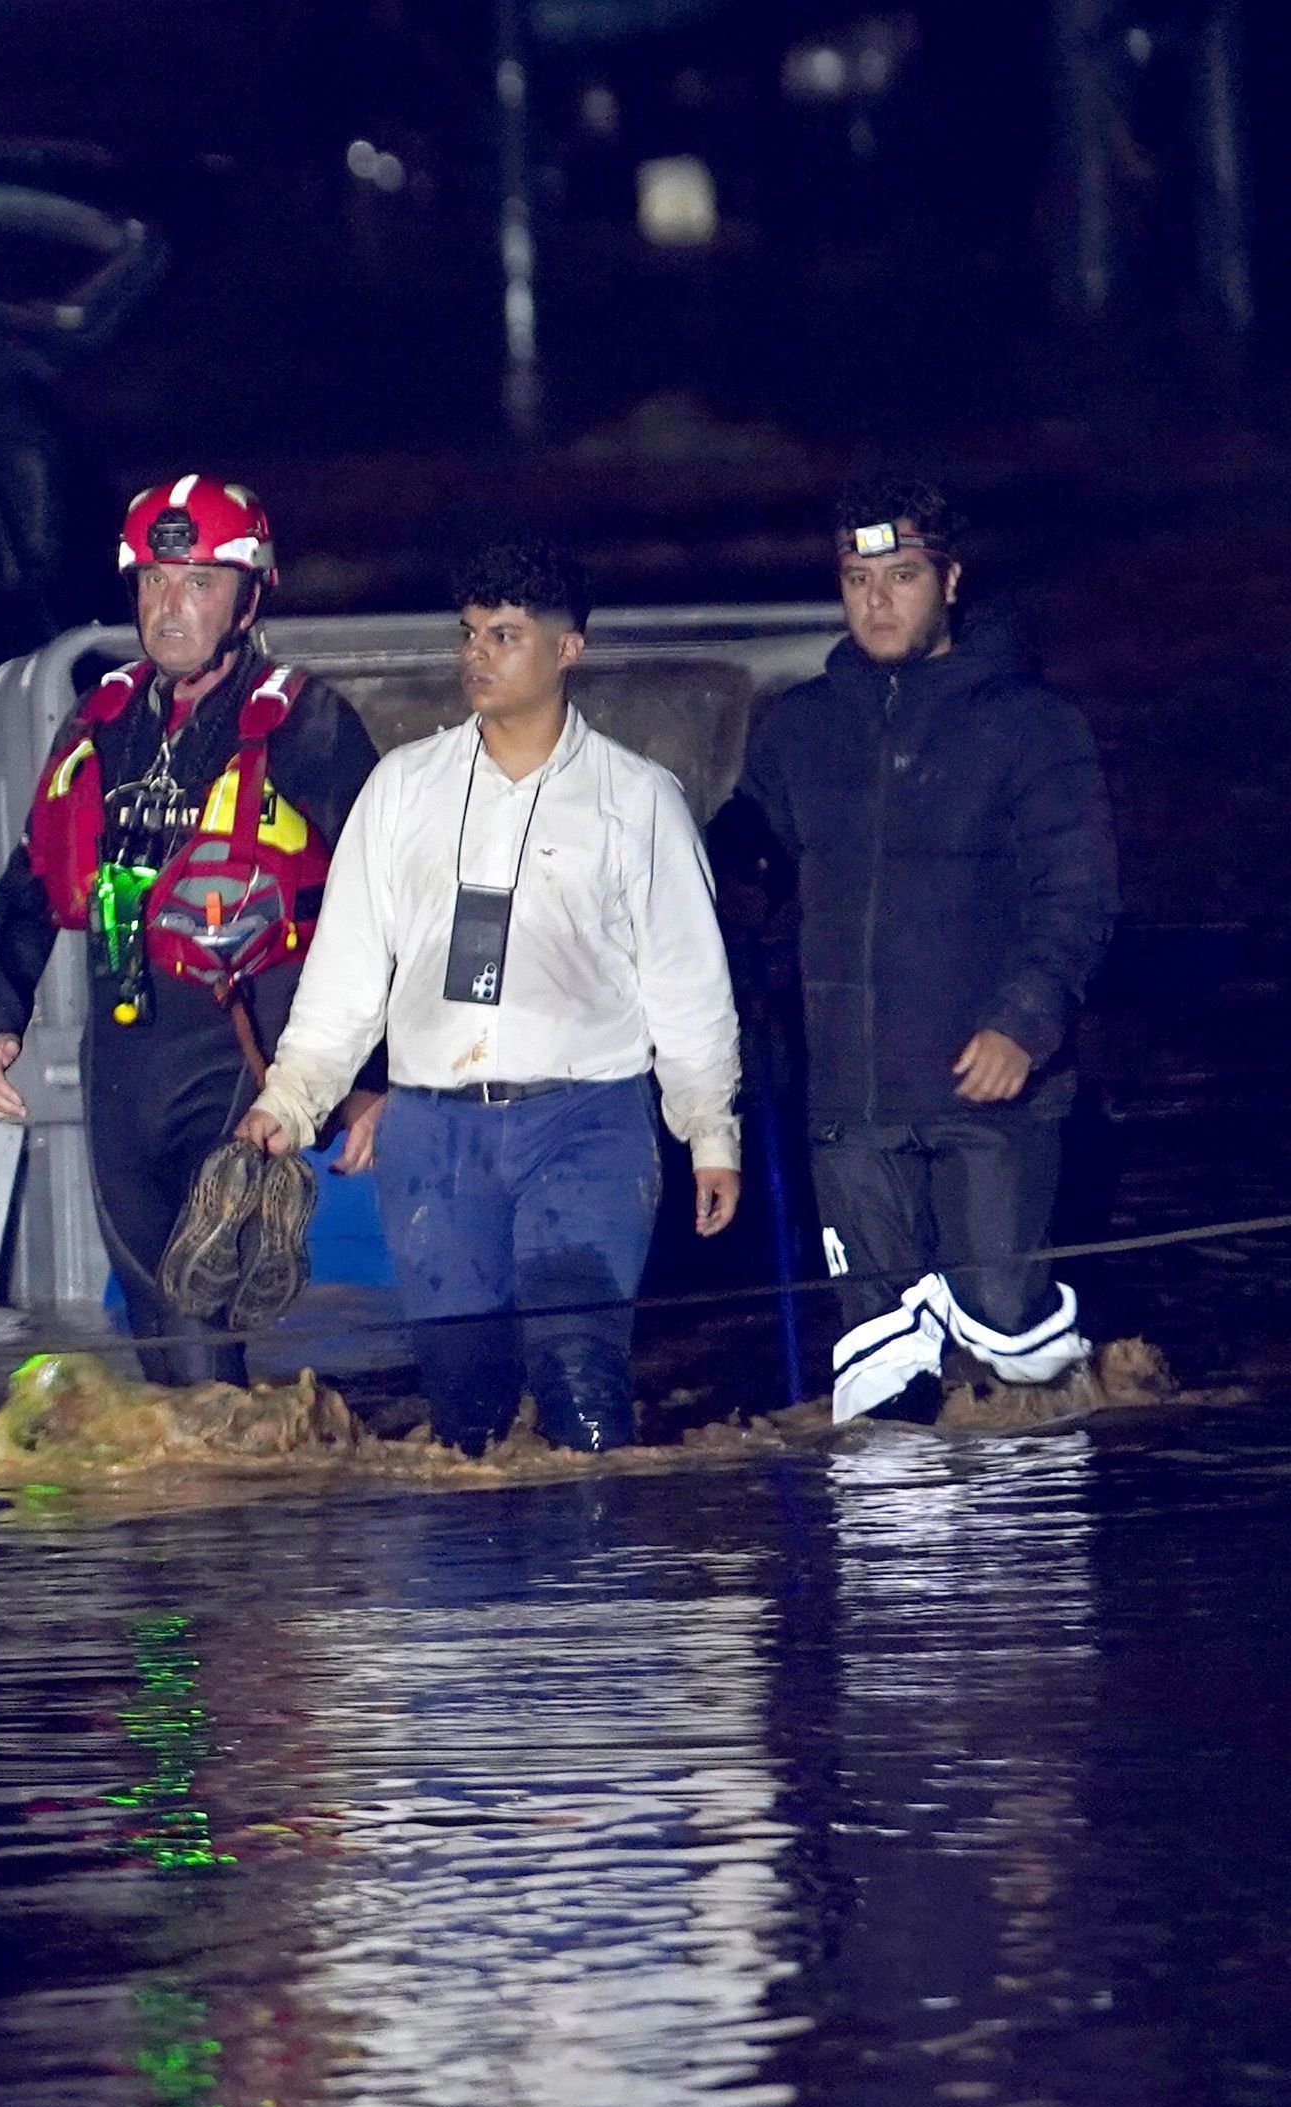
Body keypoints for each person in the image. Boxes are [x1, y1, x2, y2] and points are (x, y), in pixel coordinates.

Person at [245, 542, 744, 1453]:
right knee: (465, 1405)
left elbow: (688, 984)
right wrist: (292, 1098)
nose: (476, 654)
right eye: (470, 634)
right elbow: (347, 973)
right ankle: (481, 1588)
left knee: (579, 1373)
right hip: (435, 1136)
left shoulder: (636, 801)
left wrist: (710, 1131)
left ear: (567, 651)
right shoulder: (403, 790)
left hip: (586, 1123)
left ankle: (595, 1581)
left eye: (505, 636)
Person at [0, 474, 381, 1382]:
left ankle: (234, 1507)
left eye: (196, 581)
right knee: (154, 1319)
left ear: (248, 596)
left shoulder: (306, 722)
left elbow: (384, 900)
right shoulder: (100, 718)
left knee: (198, 1307)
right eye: (153, 581)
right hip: (124, 1054)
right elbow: (36, 874)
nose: (169, 606)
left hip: (241, 1051)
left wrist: (365, 1080)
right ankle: (208, 1506)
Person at [727, 476, 1120, 1422]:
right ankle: (902, 1571)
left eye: (901, 576)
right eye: (858, 579)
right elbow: (748, 867)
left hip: (991, 1102)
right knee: (878, 1374)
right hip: (850, 1111)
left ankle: (1026, 1559)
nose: (877, 601)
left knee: (1008, 1352)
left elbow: (1080, 895)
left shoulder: (1031, 726)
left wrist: (1024, 1025)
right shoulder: (802, 728)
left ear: (950, 579)